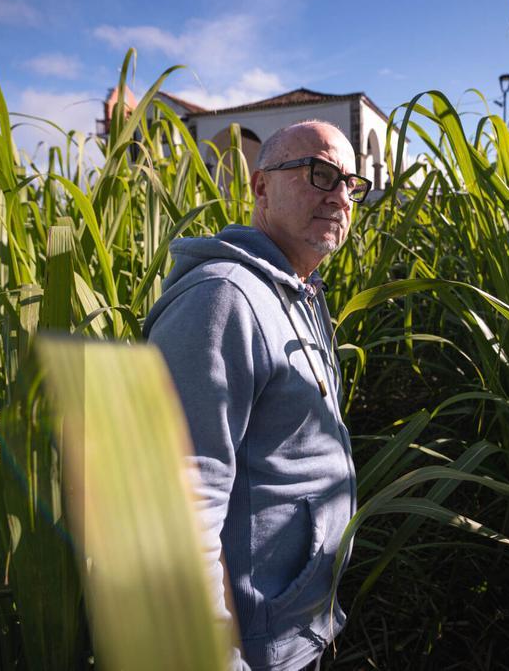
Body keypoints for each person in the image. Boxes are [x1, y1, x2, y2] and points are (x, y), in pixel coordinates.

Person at [144, 120, 370, 671]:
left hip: (296, 626)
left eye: (350, 183)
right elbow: (179, 506)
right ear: (261, 188)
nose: (340, 195)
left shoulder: (296, 291)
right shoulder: (223, 299)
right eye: (320, 174)